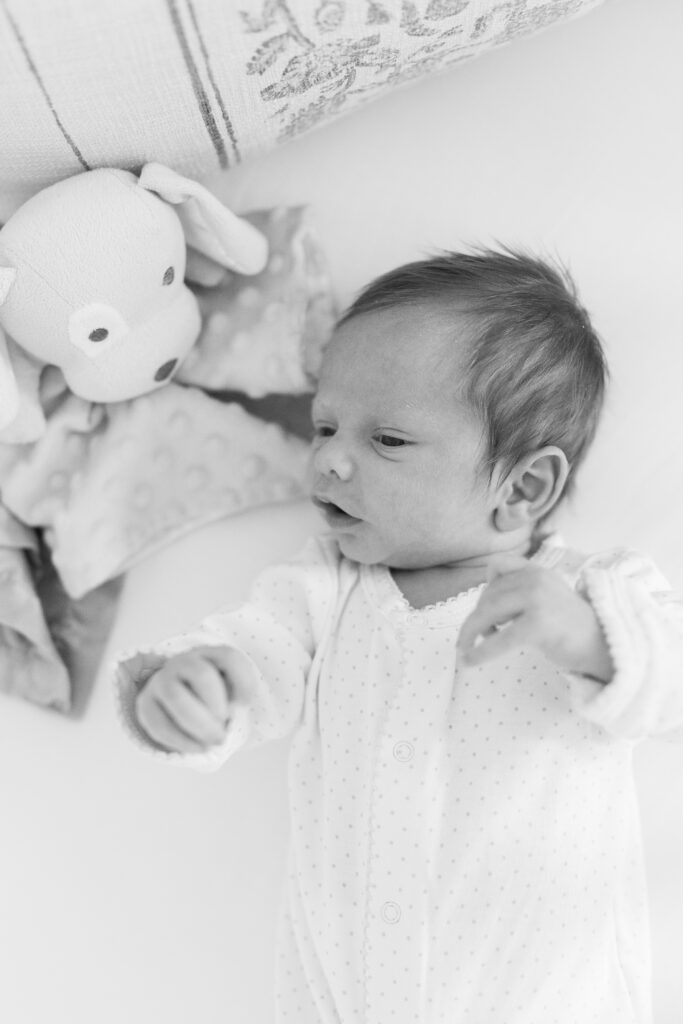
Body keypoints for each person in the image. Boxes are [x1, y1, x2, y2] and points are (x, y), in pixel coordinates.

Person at [113, 249, 683, 1024]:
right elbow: (260, 655)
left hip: (543, 997)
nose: (329, 460)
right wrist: (202, 687)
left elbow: (666, 693)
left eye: (387, 440)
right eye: (324, 425)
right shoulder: (323, 590)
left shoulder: (594, 595)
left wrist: (589, 640)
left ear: (521, 487)